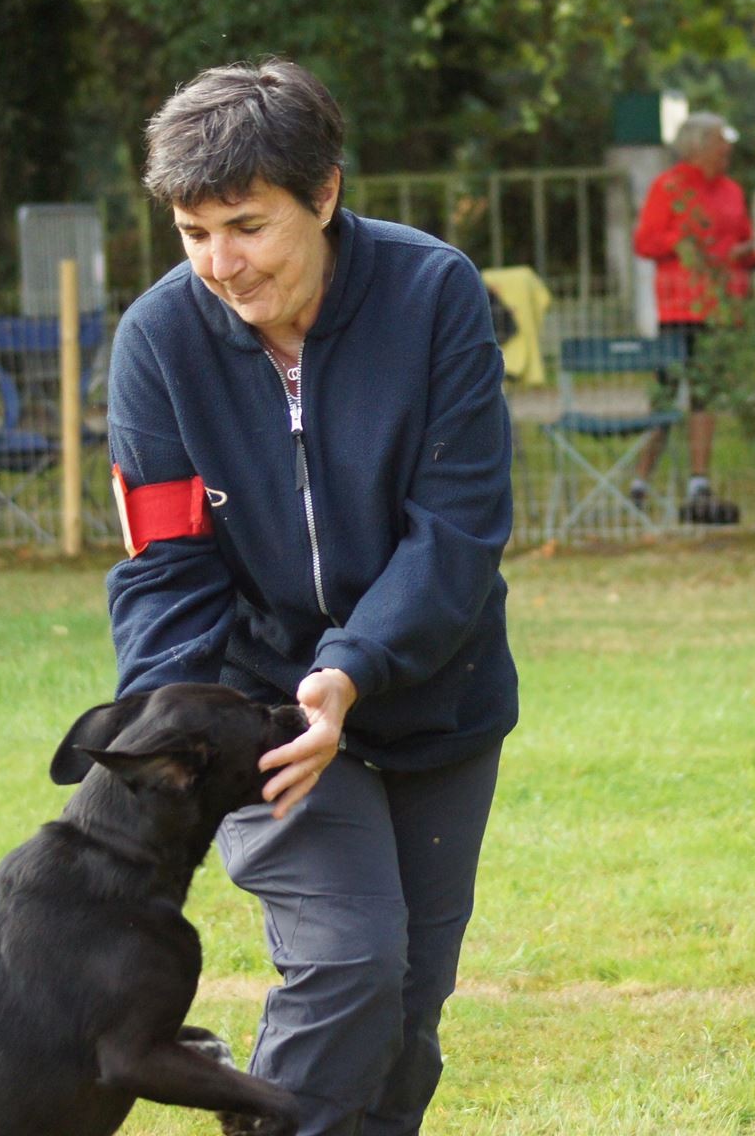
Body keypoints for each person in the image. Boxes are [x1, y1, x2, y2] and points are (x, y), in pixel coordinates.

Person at [103, 58, 517, 1136]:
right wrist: (179, 726)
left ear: (324, 193)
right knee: (347, 964)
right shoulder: (155, 343)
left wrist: (349, 670)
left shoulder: (434, 295)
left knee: (407, 1008)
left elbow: (457, 533)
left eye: (246, 225)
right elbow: (165, 565)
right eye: (193, 234)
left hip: (437, 699)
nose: (220, 265)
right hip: (260, 714)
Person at [630, 110, 755, 521]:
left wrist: (745, 255)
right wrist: (683, 241)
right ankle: (640, 480)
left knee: (707, 394)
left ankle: (699, 481)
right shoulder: (667, 187)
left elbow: (744, 241)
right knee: (666, 395)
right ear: (699, 146)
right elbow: (646, 242)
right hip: (679, 307)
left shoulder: (732, 191)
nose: (728, 149)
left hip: (720, 307)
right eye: (721, 141)